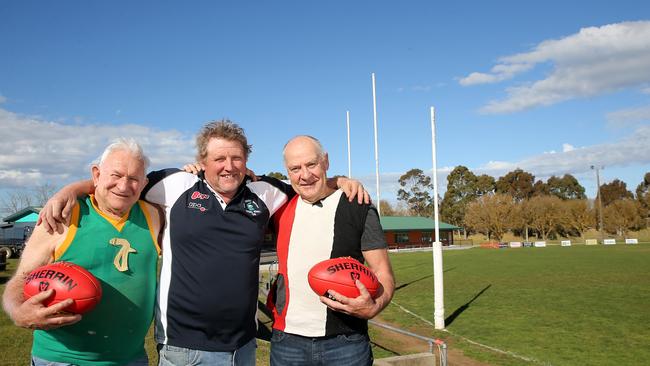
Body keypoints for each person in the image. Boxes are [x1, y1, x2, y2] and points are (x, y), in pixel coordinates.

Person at [38, 120, 369, 366]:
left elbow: (307, 183)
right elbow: (121, 182)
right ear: (202, 161)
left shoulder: (264, 193)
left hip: (243, 347)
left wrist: (339, 180)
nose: (228, 166)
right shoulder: (176, 184)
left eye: (236, 158)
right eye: (219, 159)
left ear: (247, 161)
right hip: (184, 348)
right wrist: (70, 190)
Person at [2, 138, 162, 366]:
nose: (124, 186)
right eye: (115, 175)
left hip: (130, 359)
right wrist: (18, 312)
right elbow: (21, 279)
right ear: (96, 175)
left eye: (134, 179)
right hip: (62, 359)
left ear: (143, 183)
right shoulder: (63, 216)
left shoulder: (154, 216)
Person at [267, 135, 395, 366]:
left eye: (311, 164)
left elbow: (383, 272)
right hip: (287, 341)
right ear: (286, 171)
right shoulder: (279, 204)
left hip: (346, 341)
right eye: (295, 168)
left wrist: (375, 306)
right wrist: (194, 171)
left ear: (325, 161)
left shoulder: (357, 204)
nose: (305, 175)